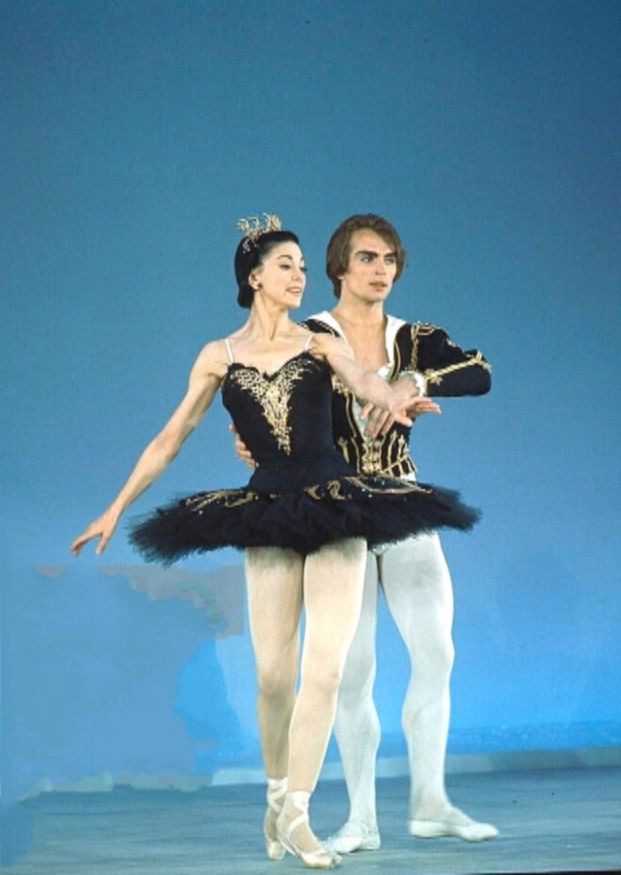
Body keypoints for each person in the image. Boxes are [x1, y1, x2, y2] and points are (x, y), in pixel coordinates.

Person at [70, 215, 480, 870]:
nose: (298, 275)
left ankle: (298, 811)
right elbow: (170, 438)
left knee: (328, 668)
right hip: (267, 511)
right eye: (286, 264)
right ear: (254, 277)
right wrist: (113, 508)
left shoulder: (319, 342)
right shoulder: (218, 355)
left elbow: (366, 382)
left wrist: (402, 392)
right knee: (271, 675)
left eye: (302, 266)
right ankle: (274, 795)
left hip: (338, 506)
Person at [236, 214, 498, 851]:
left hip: (401, 499)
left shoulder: (414, 338)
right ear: (339, 268)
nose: (382, 270)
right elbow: (264, 398)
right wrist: (258, 444)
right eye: (368, 258)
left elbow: (480, 371)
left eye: (390, 260)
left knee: (437, 652)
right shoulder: (307, 336)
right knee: (352, 671)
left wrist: (414, 379)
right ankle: (362, 819)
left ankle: (430, 801)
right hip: (335, 511)